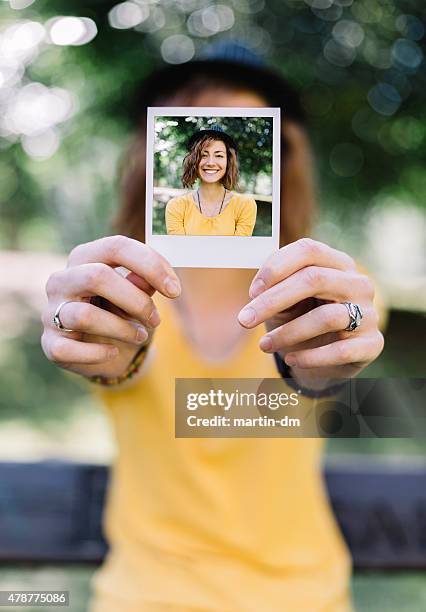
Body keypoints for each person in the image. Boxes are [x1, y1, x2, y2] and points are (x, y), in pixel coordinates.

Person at [41, 45, 386, 612]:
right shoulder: (106, 289)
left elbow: (323, 378)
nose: (213, 157)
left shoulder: (338, 289)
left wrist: (319, 369)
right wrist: (100, 352)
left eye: (233, 139)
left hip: (302, 597)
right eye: (196, 137)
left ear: (282, 158)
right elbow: (116, 368)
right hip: (144, 596)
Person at [165, 125, 257, 236]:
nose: (210, 163)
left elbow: (239, 251)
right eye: (204, 155)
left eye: (219, 155)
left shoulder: (245, 205)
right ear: (194, 161)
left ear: (228, 161)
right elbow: (178, 251)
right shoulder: (176, 206)